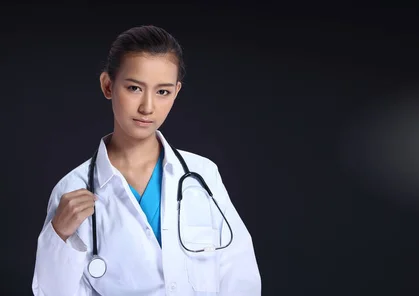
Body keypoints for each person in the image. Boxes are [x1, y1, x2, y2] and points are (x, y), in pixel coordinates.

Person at [32, 25, 261, 296]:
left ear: (176, 92)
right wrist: (57, 236)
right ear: (108, 85)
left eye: (162, 92)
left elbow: (238, 271)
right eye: (134, 88)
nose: (147, 107)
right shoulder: (72, 190)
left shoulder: (203, 174)